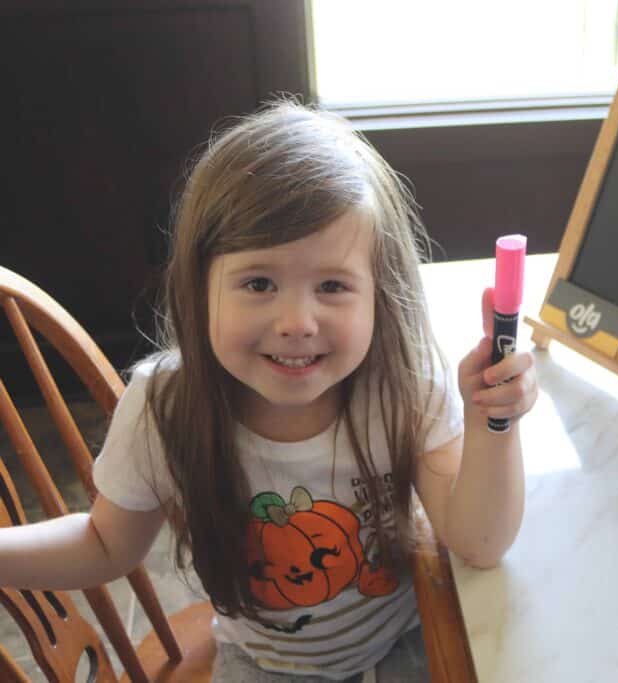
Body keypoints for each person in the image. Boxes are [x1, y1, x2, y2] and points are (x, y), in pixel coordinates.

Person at [0, 100, 537, 682]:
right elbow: (105, 545)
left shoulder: (404, 384)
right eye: (259, 282)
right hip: (265, 664)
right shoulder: (166, 407)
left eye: (332, 285)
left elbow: (480, 543)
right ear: (199, 286)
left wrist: (493, 423)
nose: (296, 322)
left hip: (404, 636)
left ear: (379, 295)